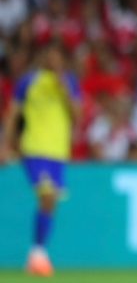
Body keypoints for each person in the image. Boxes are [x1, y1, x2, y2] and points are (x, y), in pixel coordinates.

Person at [1, 43, 81, 277]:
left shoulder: (69, 82)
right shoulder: (29, 81)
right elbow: (13, 114)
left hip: (58, 152)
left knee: (51, 202)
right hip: (34, 148)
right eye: (50, 56)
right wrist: (5, 144)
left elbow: (78, 117)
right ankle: (38, 255)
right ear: (44, 57)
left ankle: (37, 254)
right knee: (47, 195)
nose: (53, 60)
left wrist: (65, 89)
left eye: (57, 56)